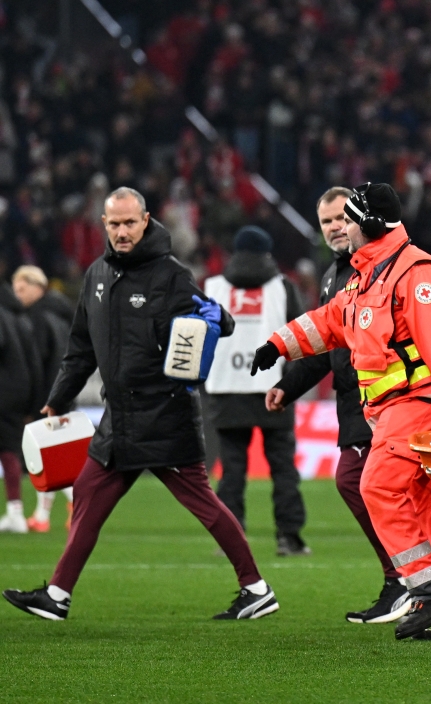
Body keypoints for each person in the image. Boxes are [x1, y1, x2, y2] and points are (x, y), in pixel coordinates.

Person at [3, 187, 278, 621]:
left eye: (129, 222)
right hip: (119, 421)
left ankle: (257, 588)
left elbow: (219, 320)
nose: (122, 231)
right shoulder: (96, 276)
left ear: (146, 220)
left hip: (165, 417)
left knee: (204, 505)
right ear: (104, 225)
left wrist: (212, 319)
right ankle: (57, 596)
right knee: (88, 497)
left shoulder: (171, 275)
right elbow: (80, 349)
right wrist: (56, 400)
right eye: (113, 224)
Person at [253, 183, 431, 640]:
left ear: (370, 226)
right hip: (391, 411)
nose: (343, 228)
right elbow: (330, 320)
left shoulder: (417, 273)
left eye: (349, 220)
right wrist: (277, 344)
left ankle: (429, 590)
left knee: (376, 486)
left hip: (419, 404)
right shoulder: (369, 274)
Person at [267, 186, 410, 624]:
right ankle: (409, 580)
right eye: (327, 220)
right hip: (355, 403)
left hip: (387, 396)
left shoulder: (380, 267)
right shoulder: (336, 276)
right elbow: (329, 347)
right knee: (364, 485)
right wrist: (289, 386)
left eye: (341, 218)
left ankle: (407, 579)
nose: (335, 226)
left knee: (358, 482)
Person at [204, 226, 310, 557]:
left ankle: (230, 540)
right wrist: (289, 383)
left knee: (231, 470)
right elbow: (301, 337)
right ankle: (288, 537)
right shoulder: (282, 287)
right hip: (273, 389)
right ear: (267, 252)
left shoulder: (214, 287)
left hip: (226, 388)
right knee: (282, 469)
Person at [11, 266, 76, 533]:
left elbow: (36, 365)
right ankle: (42, 515)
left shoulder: (37, 318)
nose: (18, 296)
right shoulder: (62, 315)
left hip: (45, 398)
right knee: (52, 458)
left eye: (22, 289)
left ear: (37, 287)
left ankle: (76, 505)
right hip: (63, 394)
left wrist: (32, 403)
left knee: (46, 460)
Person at [0, 278, 43, 533]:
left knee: (6, 450)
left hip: (3, 392)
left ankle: (15, 512)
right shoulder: (22, 319)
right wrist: (33, 402)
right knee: (9, 450)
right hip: (19, 394)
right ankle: (15, 511)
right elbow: (35, 363)